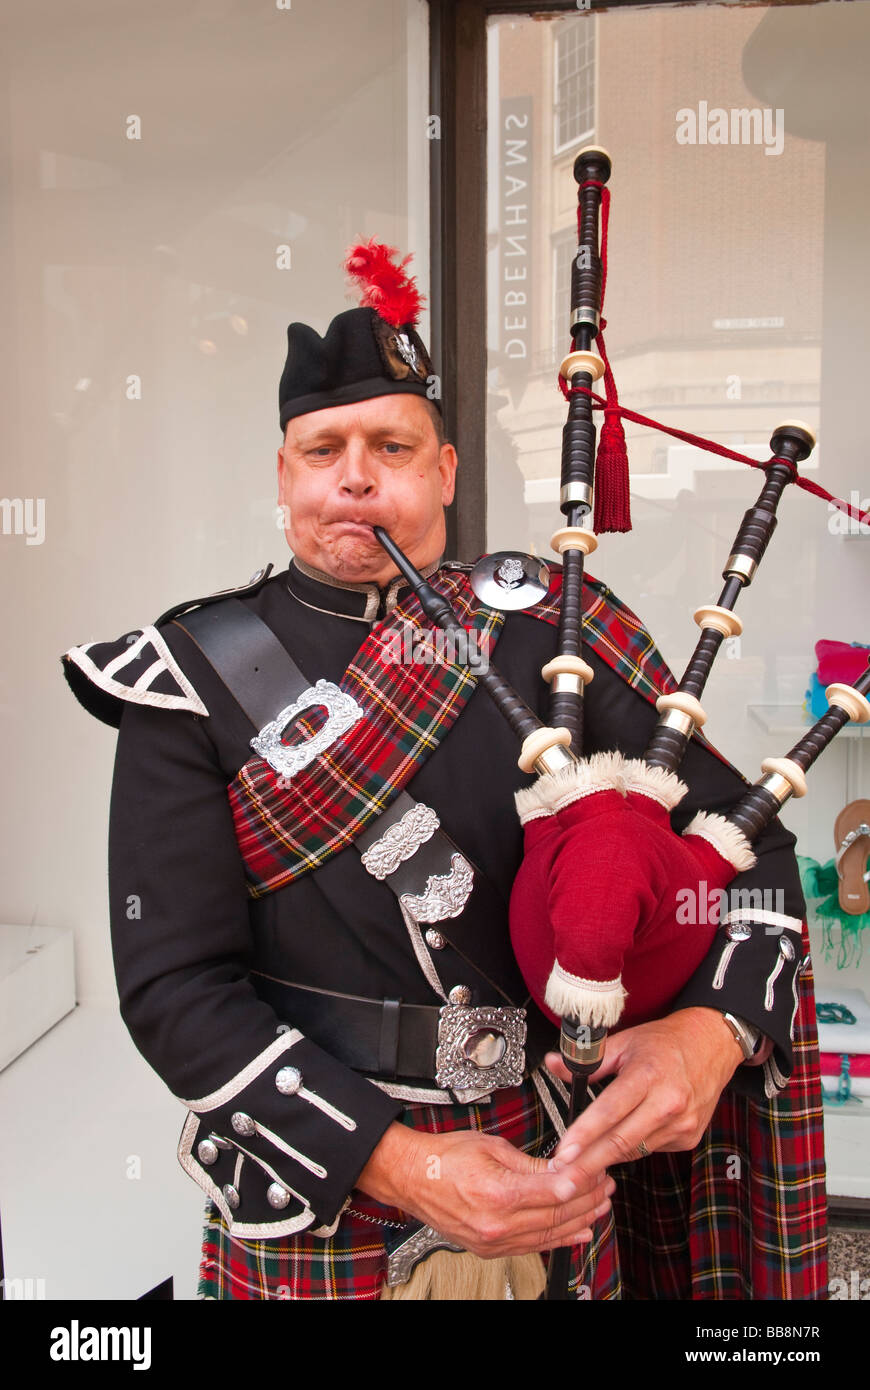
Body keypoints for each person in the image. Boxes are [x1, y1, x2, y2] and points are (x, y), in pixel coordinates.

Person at [62, 247, 825, 1300]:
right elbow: (175, 992)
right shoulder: (189, 676)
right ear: (284, 477)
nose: (358, 475)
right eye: (322, 447)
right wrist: (402, 1163)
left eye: (393, 444)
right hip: (321, 1185)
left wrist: (710, 1031)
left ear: (448, 472)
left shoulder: (555, 639)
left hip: (550, 1159)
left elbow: (754, 853)